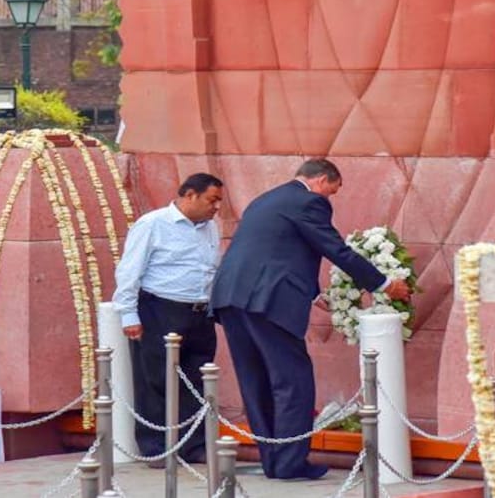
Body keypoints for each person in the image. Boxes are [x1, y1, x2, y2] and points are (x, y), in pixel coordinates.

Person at [211, 158, 411, 480]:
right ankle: (290, 463)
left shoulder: (266, 200)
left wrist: (313, 294)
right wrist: (384, 284)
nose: (330, 198)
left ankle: (273, 460)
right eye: (332, 191)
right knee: (293, 381)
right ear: (320, 180)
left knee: (256, 382)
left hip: (231, 298)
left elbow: (279, 250)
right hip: (268, 301)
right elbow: (334, 249)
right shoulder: (309, 201)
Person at [113, 172, 224, 468]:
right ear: (190, 195)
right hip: (160, 308)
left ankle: (194, 445)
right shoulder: (152, 224)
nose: (216, 207)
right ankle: (155, 447)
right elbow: (129, 270)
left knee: (197, 379)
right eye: (212, 200)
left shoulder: (211, 227)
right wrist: (128, 314)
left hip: (199, 311)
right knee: (155, 379)